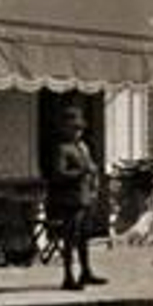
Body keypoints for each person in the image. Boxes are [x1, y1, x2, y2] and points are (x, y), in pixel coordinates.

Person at [47, 107, 106, 291]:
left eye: (79, 128)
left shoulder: (83, 146)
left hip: (85, 197)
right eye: (73, 128)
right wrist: (82, 172)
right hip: (70, 200)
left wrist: (93, 175)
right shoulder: (62, 148)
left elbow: (90, 166)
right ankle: (68, 276)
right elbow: (58, 174)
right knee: (70, 238)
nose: (77, 131)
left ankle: (86, 271)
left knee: (84, 237)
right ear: (65, 128)